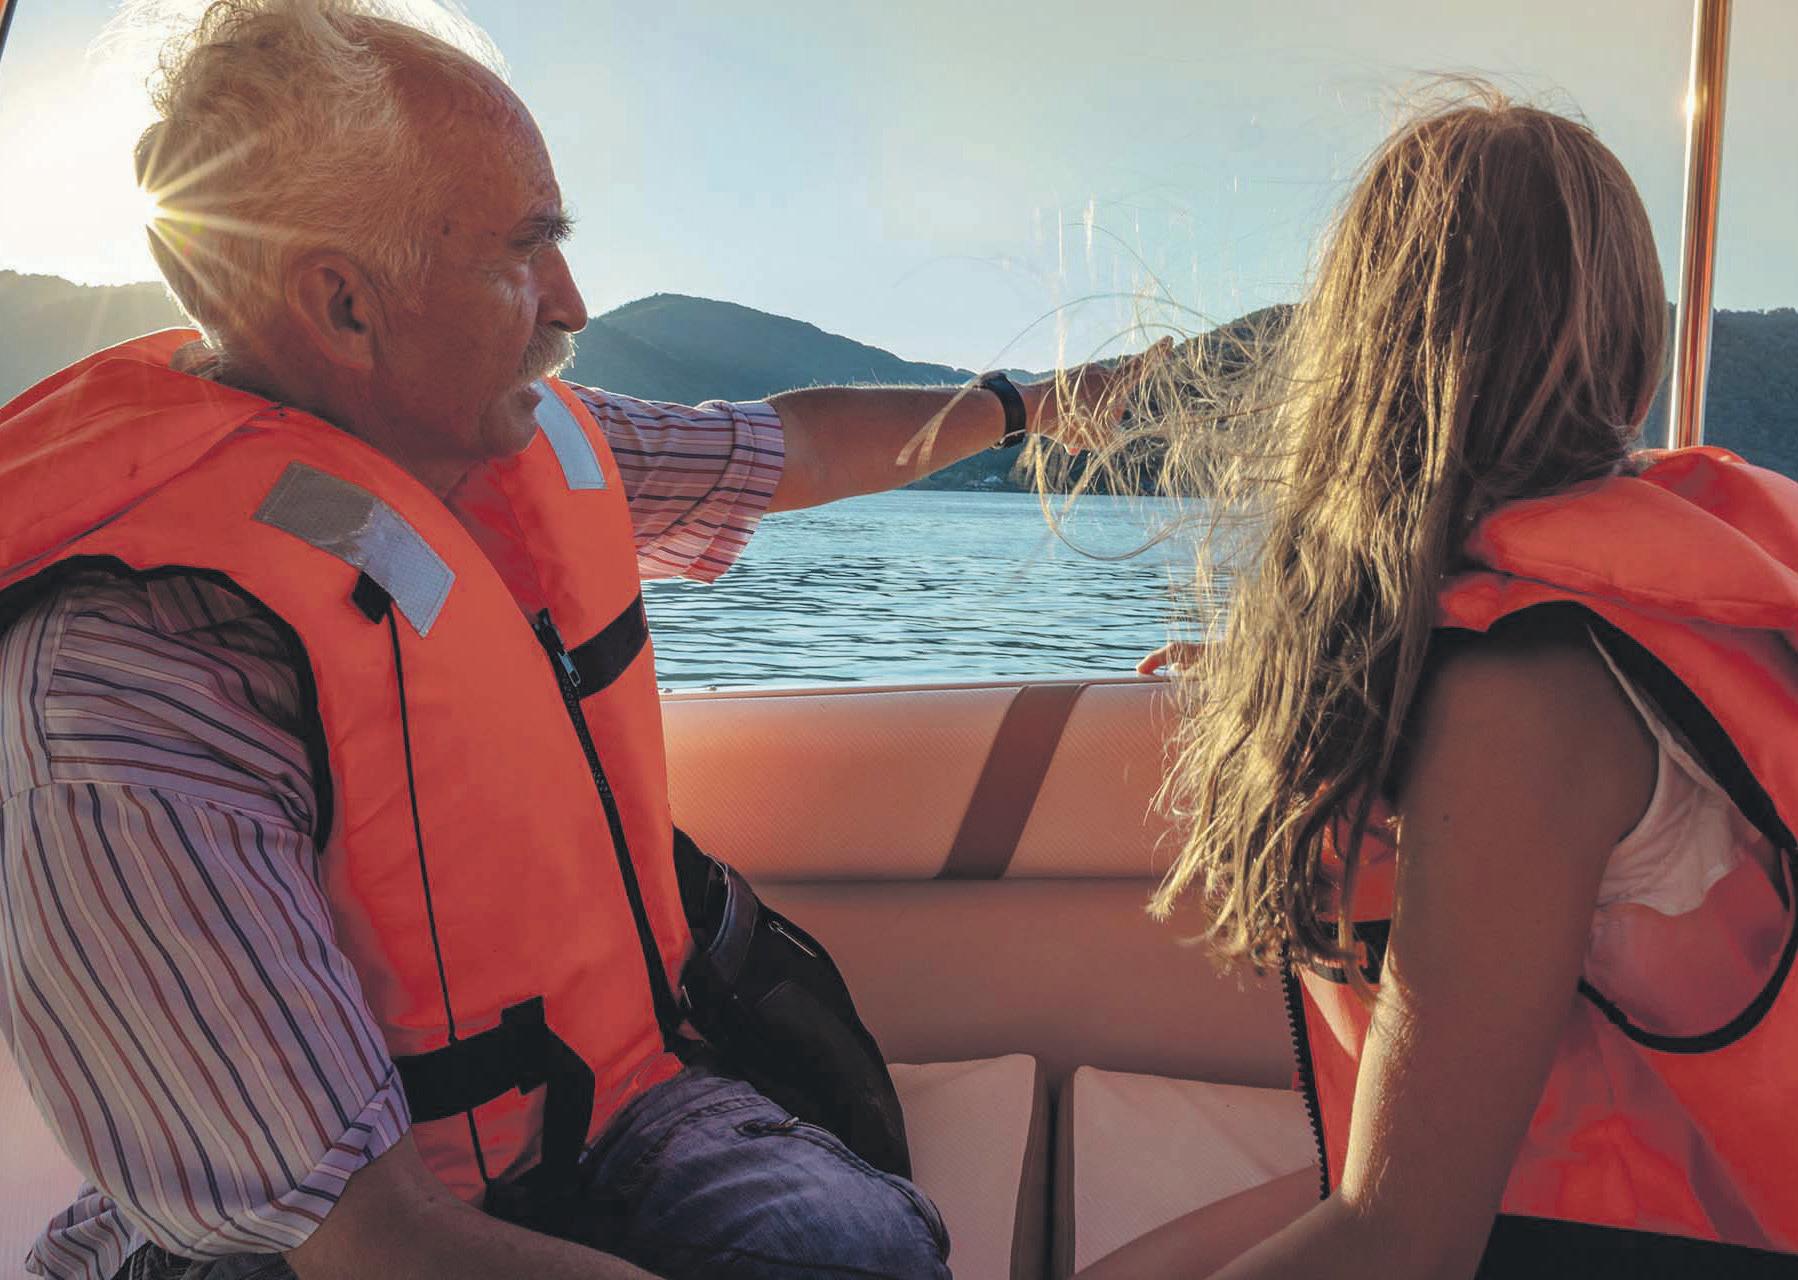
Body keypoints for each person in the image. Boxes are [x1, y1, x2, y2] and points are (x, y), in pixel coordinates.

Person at [0, 4, 1133, 1279]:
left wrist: (1036, 405)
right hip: (332, 1236)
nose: (575, 303)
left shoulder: (513, 436)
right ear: (343, 304)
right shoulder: (127, 682)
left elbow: (801, 446)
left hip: (610, 1104)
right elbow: (375, 1241)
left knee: (858, 1249)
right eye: (526, 251)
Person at [1090, 89, 1798, 1277]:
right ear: (1630, 369)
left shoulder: (1530, 700)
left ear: (1357, 362)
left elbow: (1402, 1239)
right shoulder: (1585, 632)